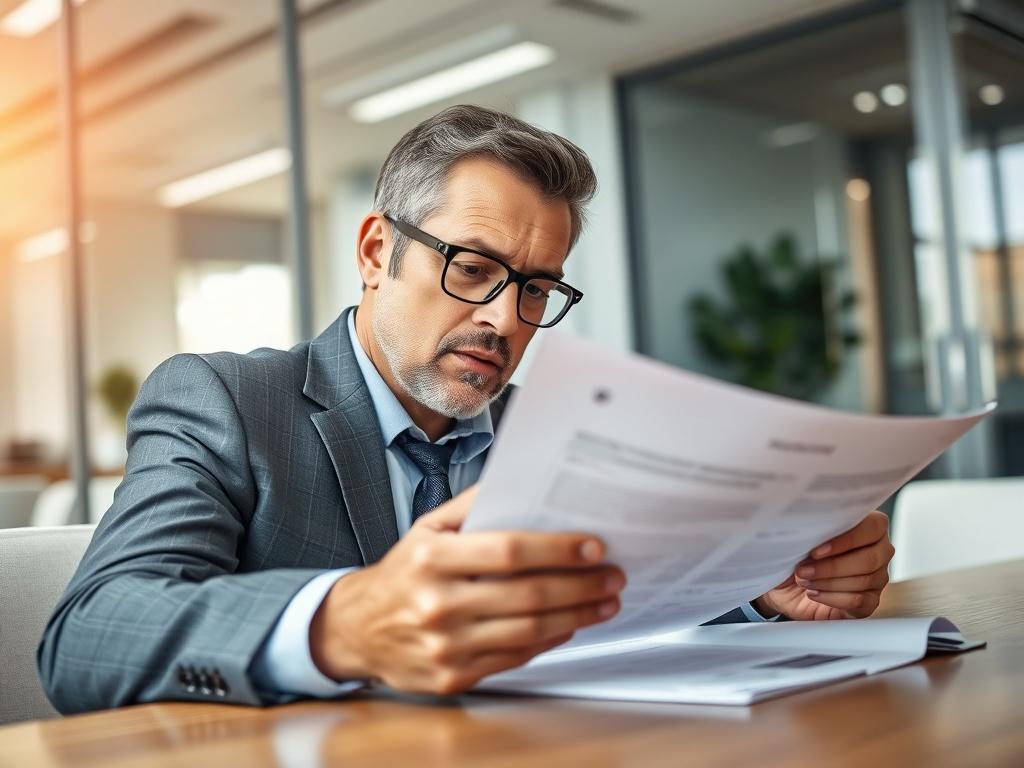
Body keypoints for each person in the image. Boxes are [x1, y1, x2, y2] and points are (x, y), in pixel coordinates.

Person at [38, 105, 894, 713]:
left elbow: (637, 609)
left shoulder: (556, 432)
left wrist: (764, 591)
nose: (502, 318)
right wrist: (344, 623)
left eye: (535, 288)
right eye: (473, 268)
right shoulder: (226, 400)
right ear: (377, 252)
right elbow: (88, 635)